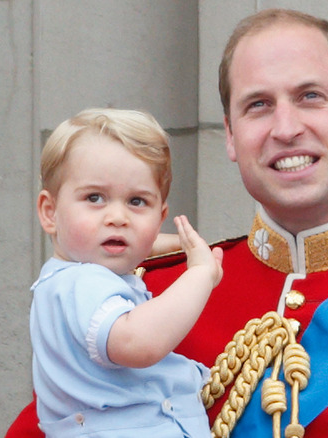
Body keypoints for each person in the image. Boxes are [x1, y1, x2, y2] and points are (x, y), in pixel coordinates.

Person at [7, 8, 328, 438]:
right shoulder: (148, 292)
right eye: (258, 105)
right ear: (230, 134)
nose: (285, 128)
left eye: (310, 96)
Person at [30, 108, 223, 437]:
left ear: (159, 216)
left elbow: (126, 243)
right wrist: (201, 273)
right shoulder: (82, 282)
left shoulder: (67, 276)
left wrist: (169, 243)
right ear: (50, 213)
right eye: (95, 198)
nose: (118, 217)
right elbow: (138, 343)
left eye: (136, 202)